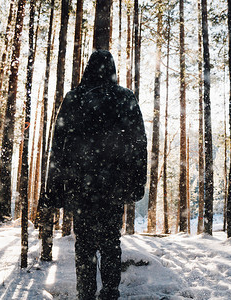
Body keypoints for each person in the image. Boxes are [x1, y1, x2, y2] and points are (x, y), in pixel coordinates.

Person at [43, 50, 147, 299]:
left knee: (85, 244)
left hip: (82, 186)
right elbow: (139, 144)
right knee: (111, 242)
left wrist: (54, 188)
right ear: (112, 69)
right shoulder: (125, 98)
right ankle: (110, 292)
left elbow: (58, 147)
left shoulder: (74, 98)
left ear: (88, 69)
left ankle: (86, 294)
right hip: (113, 187)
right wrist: (136, 182)